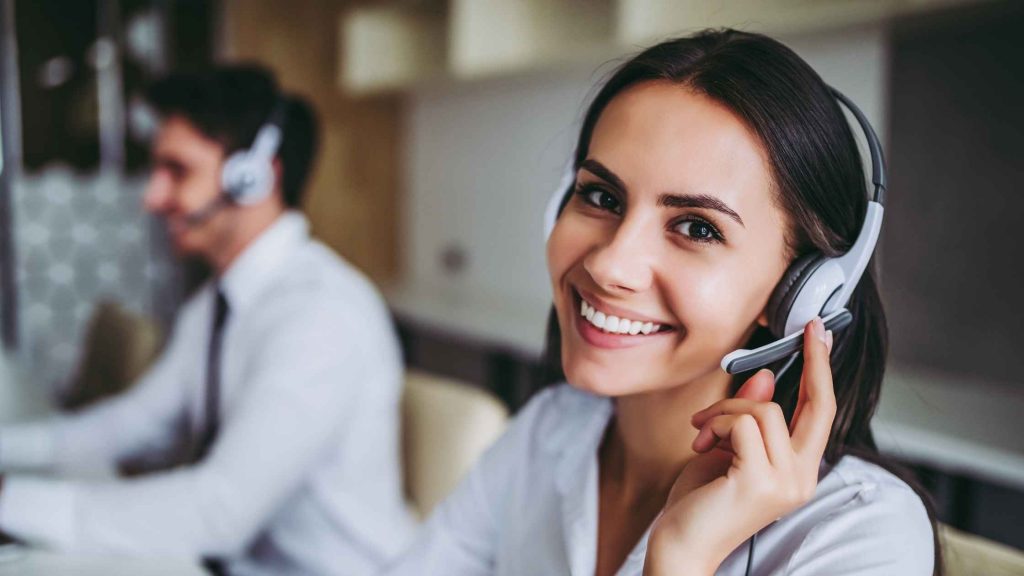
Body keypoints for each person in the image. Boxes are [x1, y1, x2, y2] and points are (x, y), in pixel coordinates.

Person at [383, 29, 939, 575]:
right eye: (601, 196)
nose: (608, 265)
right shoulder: (551, 432)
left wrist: (682, 560)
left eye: (697, 228)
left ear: (804, 289)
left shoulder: (859, 535)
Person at [0, 65, 416, 575]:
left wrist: (9, 503)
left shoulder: (320, 315)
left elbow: (217, 511)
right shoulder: (217, 303)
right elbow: (132, 425)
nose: (152, 197)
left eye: (177, 170)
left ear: (256, 177)